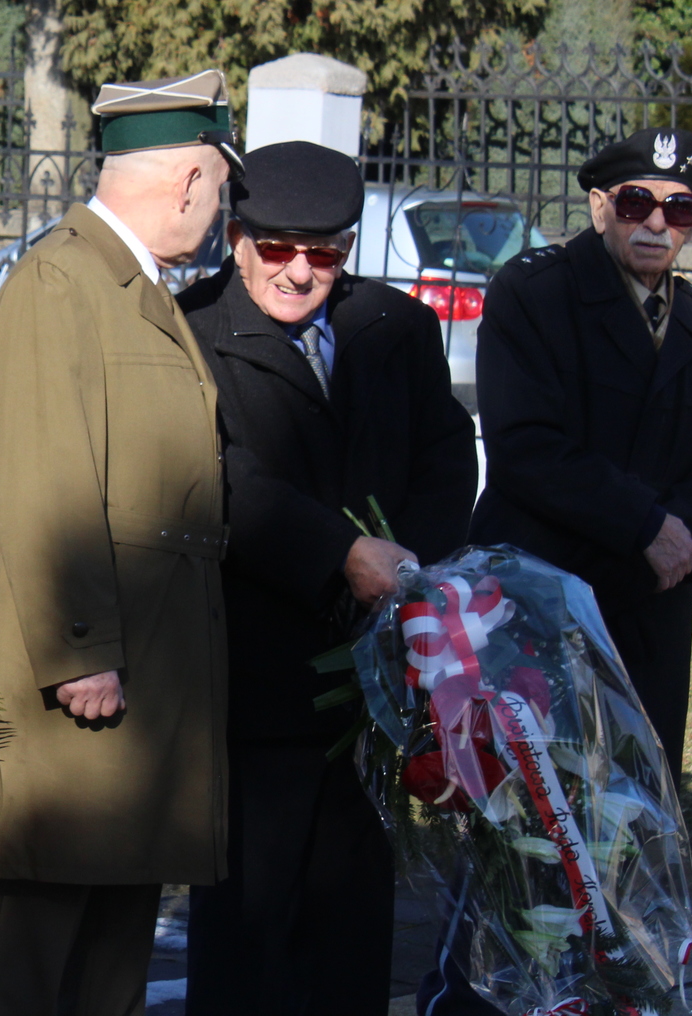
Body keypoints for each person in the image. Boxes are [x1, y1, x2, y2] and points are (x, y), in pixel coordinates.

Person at [419, 126, 692, 1014]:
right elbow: (527, 448)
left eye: (678, 208)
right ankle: (471, 999)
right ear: (600, 207)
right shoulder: (536, 295)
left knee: (630, 828)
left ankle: (608, 993)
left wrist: (688, 538)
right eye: (636, 202)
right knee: (526, 831)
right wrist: (647, 524)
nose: (655, 224)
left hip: (649, 614)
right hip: (542, 607)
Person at [176, 141, 477, 1016]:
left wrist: (407, 563)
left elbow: (447, 454)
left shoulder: (397, 327)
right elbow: (215, 474)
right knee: (248, 934)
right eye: (276, 248)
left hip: (372, 684)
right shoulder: (193, 330)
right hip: (256, 675)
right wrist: (340, 555)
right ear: (236, 237)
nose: (300, 271)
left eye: (326, 253)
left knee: (351, 932)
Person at [0, 70, 237, 1016]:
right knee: (40, 947)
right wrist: (82, 653)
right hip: (83, 673)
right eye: (215, 186)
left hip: (145, 667)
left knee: (112, 943)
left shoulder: (133, 287)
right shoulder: (59, 281)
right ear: (189, 180)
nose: (214, 207)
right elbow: (47, 482)